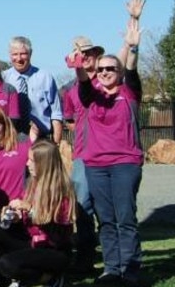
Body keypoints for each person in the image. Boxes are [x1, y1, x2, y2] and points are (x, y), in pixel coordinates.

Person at [74, 0, 145, 286]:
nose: (104, 72)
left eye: (109, 69)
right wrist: (78, 60)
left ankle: (130, 269)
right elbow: (81, 78)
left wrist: (133, 34)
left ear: (118, 73)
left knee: (125, 218)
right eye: (100, 69)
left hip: (125, 163)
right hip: (95, 165)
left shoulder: (129, 93)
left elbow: (130, 66)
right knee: (105, 219)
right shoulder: (90, 95)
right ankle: (111, 269)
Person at [0, 141, 74, 287]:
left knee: (7, 264)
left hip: (54, 249)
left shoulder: (62, 189)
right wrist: (15, 215)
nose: (27, 164)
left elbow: (54, 219)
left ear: (44, 163)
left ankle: (48, 277)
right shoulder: (31, 183)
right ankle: (17, 275)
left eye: (32, 161)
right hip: (31, 241)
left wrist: (28, 208)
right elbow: (26, 216)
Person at [61, 34, 105, 273]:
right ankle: (85, 260)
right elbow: (69, 119)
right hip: (82, 156)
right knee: (82, 207)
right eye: (81, 53)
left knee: (106, 208)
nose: (86, 57)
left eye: (89, 53)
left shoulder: (107, 81)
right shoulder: (69, 89)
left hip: (106, 156)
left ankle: (114, 260)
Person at [4, 37, 63, 144]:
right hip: (11, 139)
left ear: (30, 54)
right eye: (15, 54)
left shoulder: (45, 77)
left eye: (23, 54)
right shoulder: (3, 78)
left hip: (42, 140)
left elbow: (56, 113)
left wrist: (56, 144)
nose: (19, 58)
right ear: (9, 55)